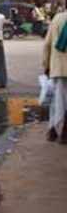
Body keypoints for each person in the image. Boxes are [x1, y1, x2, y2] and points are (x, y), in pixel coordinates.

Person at [43, 10, 67, 143]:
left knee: (56, 100)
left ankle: (53, 131)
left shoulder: (57, 18)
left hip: (58, 67)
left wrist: (46, 65)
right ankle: (64, 133)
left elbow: (47, 44)